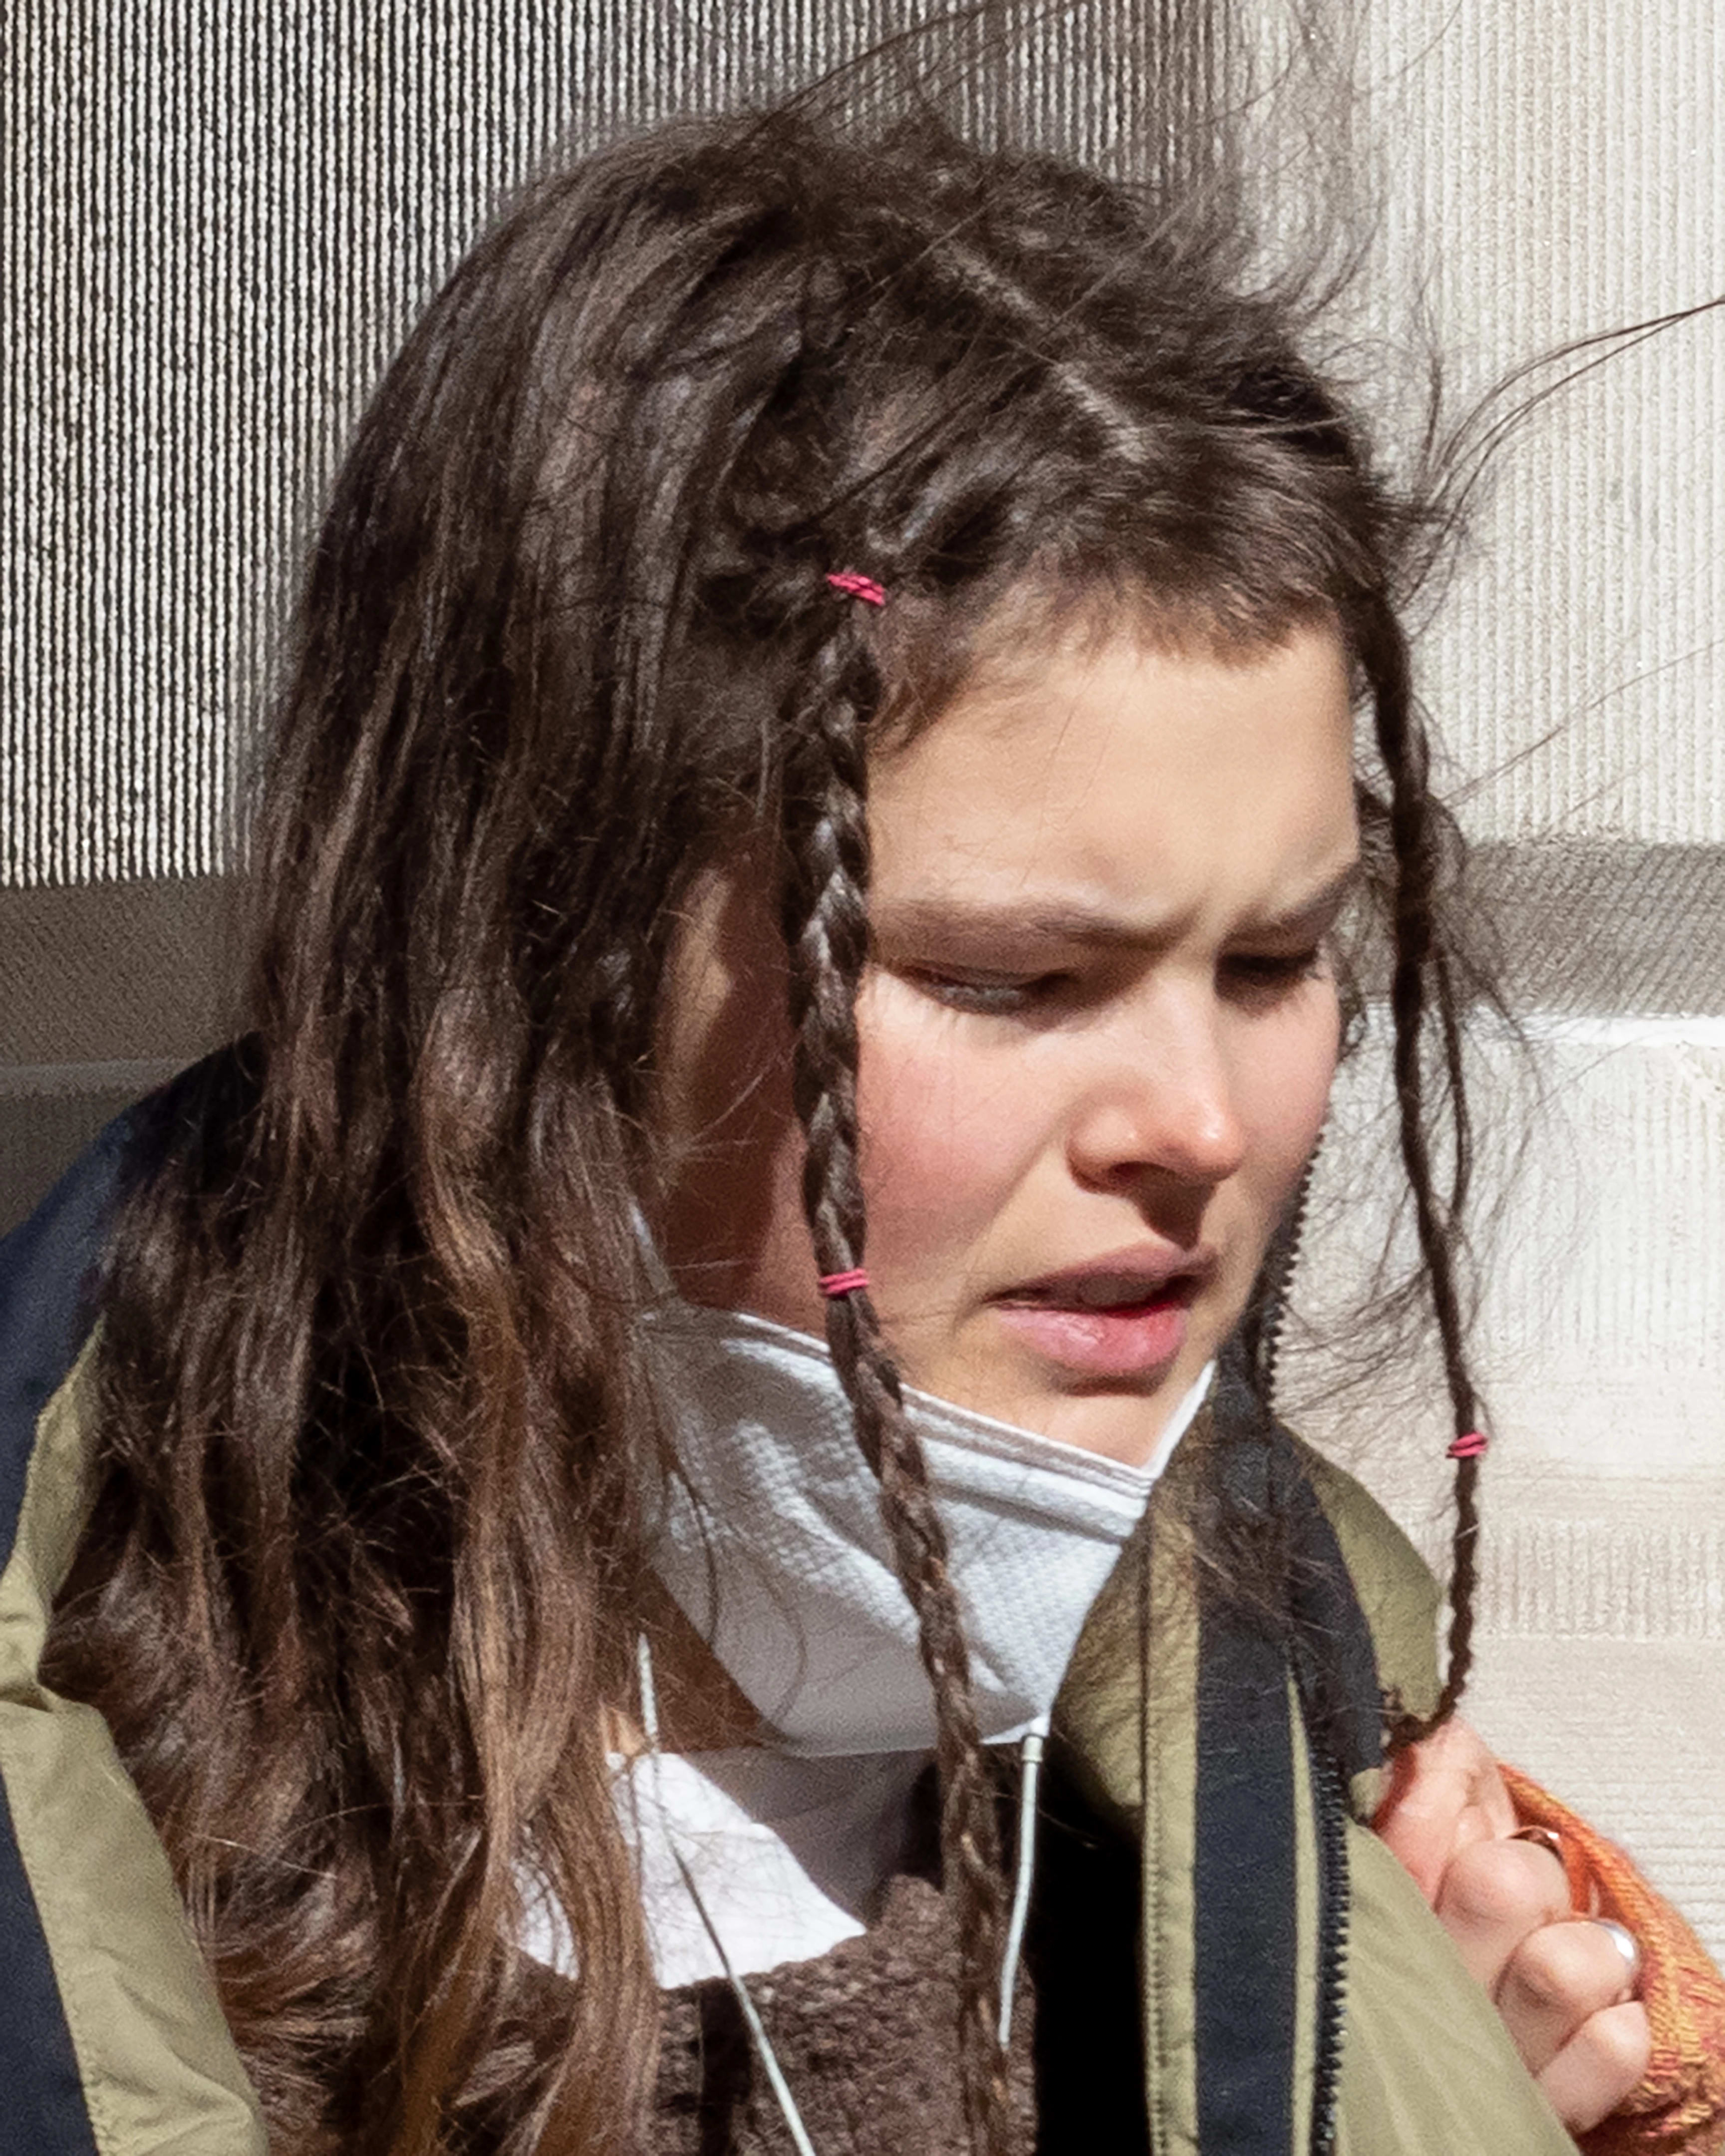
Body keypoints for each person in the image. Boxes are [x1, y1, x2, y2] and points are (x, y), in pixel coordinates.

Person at [0, 100, 1721, 2156]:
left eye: (1274, 962)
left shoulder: (1334, 1803)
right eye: (1006, 980)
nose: (1197, 1121)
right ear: (530, 973)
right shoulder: (131, 1846)